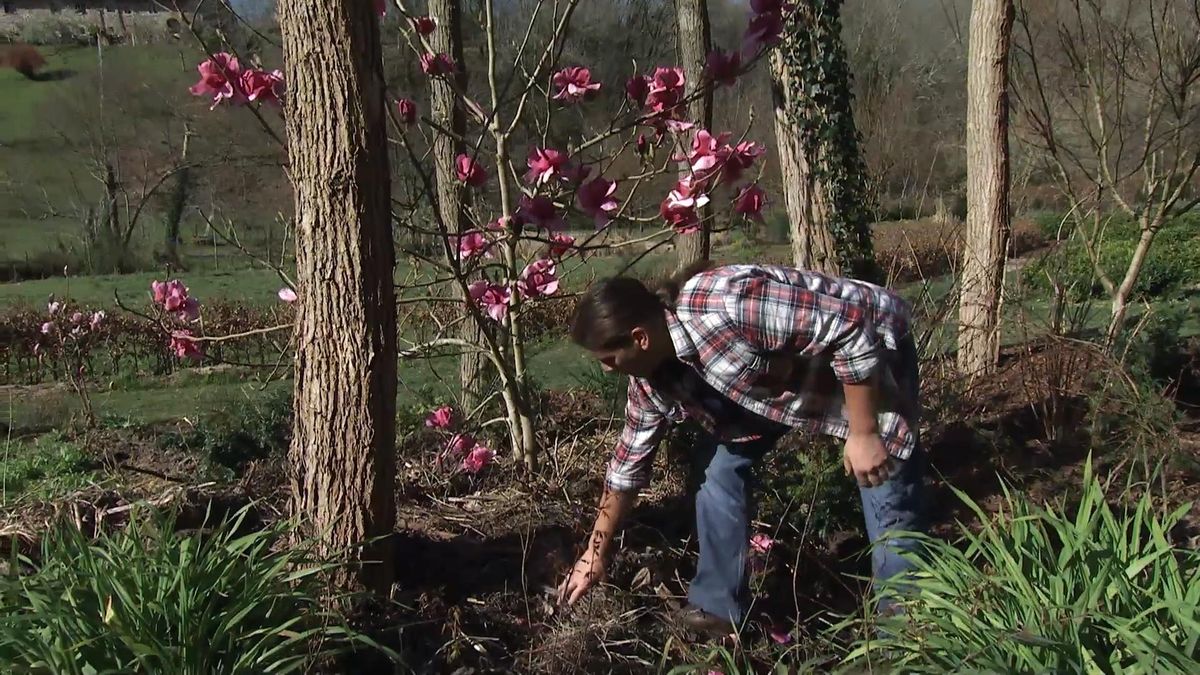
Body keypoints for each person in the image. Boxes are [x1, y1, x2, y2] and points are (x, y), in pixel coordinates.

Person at [556, 261, 926, 638]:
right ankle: (717, 609)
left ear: (640, 338)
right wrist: (595, 553)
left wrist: (863, 434)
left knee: (884, 484)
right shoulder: (650, 382)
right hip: (778, 383)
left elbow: (849, 328)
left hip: (873, 350)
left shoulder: (727, 304)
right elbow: (627, 465)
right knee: (716, 470)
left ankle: (906, 630)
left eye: (608, 359)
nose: (606, 370)